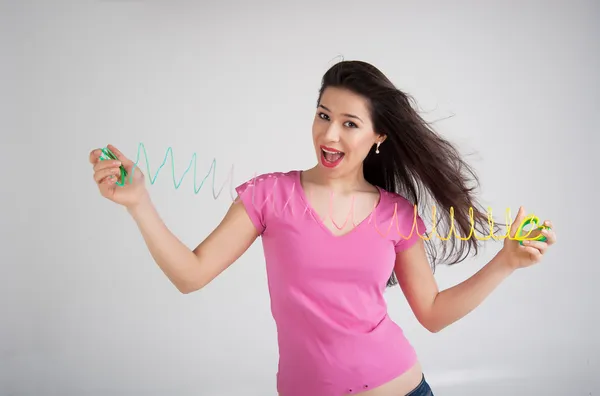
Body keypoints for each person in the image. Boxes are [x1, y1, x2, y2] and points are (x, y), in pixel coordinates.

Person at [89, 60, 556, 396]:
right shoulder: (268, 194)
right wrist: (139, 204)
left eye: (350, 124)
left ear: (378, 137)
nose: (329, 135)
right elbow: (191, 275)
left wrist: (507, 261)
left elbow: (431, 313)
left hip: (401, 387)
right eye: (323, 115)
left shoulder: (396, 213)